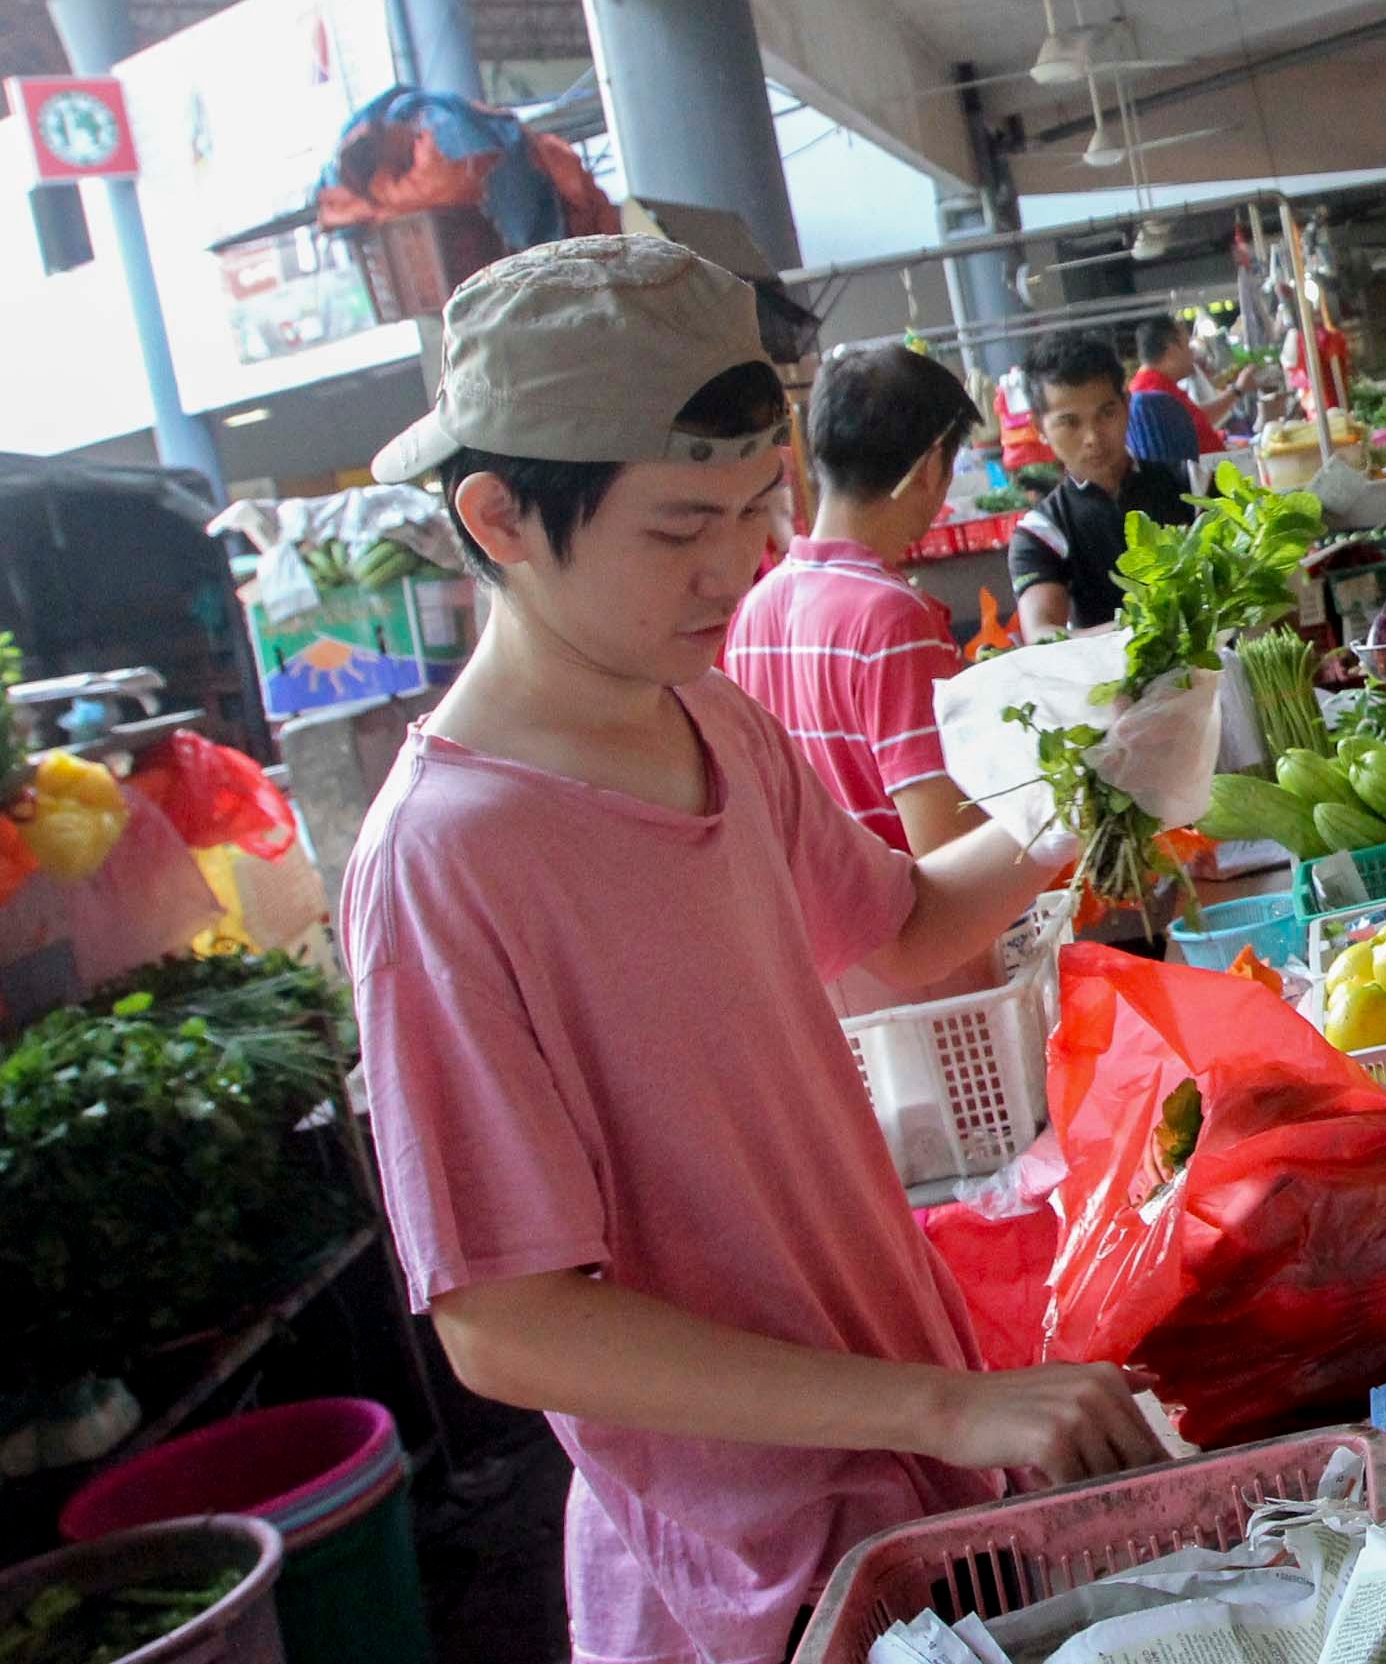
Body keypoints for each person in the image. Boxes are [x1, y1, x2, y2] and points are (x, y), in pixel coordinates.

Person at [344, 238, 1159, 1664]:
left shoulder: (710, 716)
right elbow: (509, 1323)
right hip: (752, 1571)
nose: (739, 563)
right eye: (677, 529)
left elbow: (901, 927)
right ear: (500, 517)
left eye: (755, 507)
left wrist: (1096, 790)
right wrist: (935, 1407)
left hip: (910, 1480)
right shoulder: (446, 859)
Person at [723, 344, 1000, 1013]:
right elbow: (944, 846)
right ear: (931, 465)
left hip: (827, 990)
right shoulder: (892, 617)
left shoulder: (757, 606)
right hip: (930, 987)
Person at [1009, 331, 1194, 641]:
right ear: (1039, 427)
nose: (1092, 436)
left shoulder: (1193, 486)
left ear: (1126, 404)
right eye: (1070, 422)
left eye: (1106, 413)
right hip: (1110, 685)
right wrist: (1145, 628)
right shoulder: (1042, 532)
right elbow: (1042, 635)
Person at [1127, 313, 1226, 458]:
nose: (1192, 355)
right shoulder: (1152, 398)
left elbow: (1194, 426)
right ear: (1172, 351)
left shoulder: (1158, 386)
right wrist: (1237, 391)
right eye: (1187, 347)